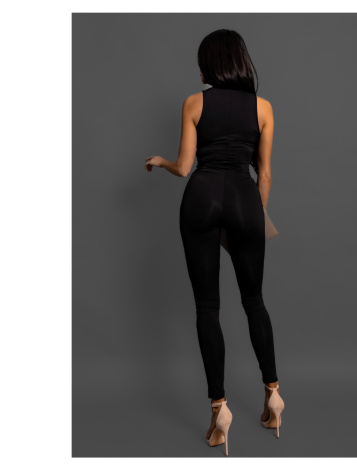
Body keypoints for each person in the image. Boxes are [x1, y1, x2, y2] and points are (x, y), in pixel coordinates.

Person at [145, 29, 284, 456]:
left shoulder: (194, 102)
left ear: (210, 66)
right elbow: (264, 173)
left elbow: (185, 167)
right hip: (244, 200)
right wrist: (253, 216)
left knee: (208, 307)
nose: (199, 71)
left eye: (202, 63)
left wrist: (161, 162)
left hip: (201, 200)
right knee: (254, 301)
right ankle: (273, 396)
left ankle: (219, 411)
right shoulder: (263, 107)